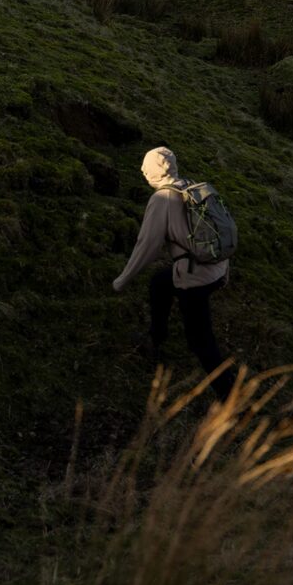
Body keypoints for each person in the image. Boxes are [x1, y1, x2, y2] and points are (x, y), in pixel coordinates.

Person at [112, 146, 235, 401]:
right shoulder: (193, 186)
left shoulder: (162, 199)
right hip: (215, 268)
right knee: (160, 283)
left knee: (201, 342)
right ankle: (156, 337)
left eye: (146, 167)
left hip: (194, 277)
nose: (142, 171)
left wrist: (122, 281)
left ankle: (233, 399)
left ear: (153, 171)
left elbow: (146, 245)